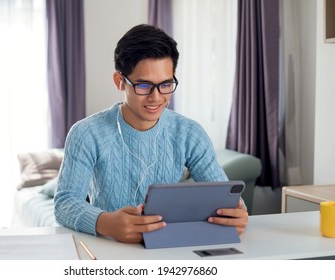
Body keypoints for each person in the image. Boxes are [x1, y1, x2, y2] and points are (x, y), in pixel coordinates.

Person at [54, 24, 248, 243]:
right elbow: (65, 203)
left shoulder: (189, 133)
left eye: (165, 84)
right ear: (120, 82)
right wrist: (105, 222)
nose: (156, 97)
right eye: (144, 86)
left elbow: (225, 197)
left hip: (170, 248)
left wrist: (238, 215)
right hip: (109, 249)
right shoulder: (86, 133)